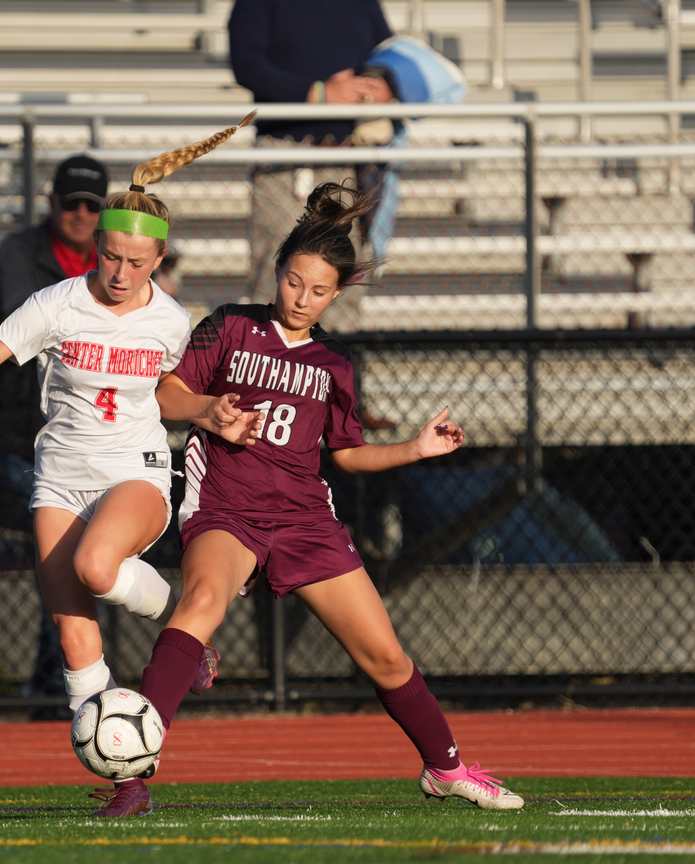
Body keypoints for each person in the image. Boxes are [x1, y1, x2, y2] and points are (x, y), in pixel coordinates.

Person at [117, 183, 524, 819]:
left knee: (385, 655)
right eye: (293, 282)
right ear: (276, 272)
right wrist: (207, 411)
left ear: (337, 293)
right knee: (200, 602)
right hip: (226, 507)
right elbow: (166, 394)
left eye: (319, 290)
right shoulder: (230, 325)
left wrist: (416, 449)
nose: (302, 299)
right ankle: (132, 775)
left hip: (306, 518)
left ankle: (445, 769)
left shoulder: (335, 361)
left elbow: (347, 454)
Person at [0, 117, 254, 792]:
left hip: (136, 474)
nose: (122, 273)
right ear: (95, 246)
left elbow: (173, 396)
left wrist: (208, 410)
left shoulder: (171, 321)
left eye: (138, 262)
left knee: (99, 566)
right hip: (60, 480)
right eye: (111, 257)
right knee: (74, 641)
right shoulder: (55, 304)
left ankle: (183, 617)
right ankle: (124, 779)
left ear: (159, 261)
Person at [0, 155, 112, 703]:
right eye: (72, 204)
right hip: (31, 438)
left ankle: (66, 685)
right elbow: (32, 323)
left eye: (93, 206)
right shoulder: (19, 252)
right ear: (52, 205)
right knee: (67, 566)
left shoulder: (120, 261)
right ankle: (61, 685)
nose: (82, 215)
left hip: (102, 441)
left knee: (88, 565)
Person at [227, 0, 394, 321]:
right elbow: (246, 63)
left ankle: (341, 366)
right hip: (285, 156)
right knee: (279, 277)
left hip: (349, 156)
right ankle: (272, 366)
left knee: (345, 278)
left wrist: (385, 86)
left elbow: (386, 55)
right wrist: (317, 94)